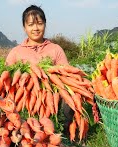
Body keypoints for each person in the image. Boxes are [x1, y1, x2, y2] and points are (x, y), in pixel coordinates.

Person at [5, 5, 74, 135]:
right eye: (31, 24)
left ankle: (64, 133)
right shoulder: (16, 52)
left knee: (70, 95)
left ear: (45, 25)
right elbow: (6, 80)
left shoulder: (55, 49)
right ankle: (20, 128)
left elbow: (67, 74)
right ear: (24, 27)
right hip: (24, 97)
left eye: (39, 23)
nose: (35, 28)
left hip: (53, 96)